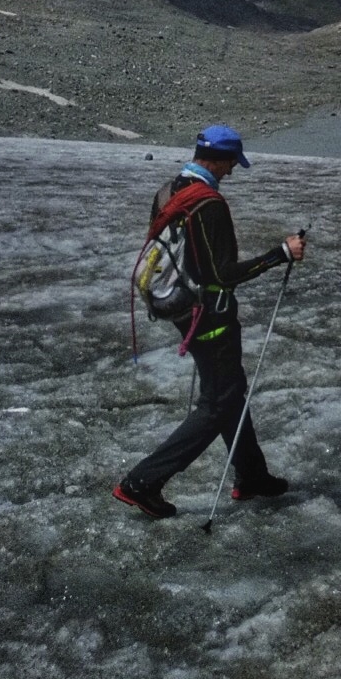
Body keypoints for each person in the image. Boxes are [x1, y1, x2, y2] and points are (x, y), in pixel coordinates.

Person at [113, 125, 306, 520]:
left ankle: (252, 475)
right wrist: (280, 254)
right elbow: (223, 274)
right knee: (218, 402)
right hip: (210, 318)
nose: (232, 170)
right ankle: (142, 482)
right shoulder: (210, 205)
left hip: (181, 309)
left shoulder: (170, 192)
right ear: (217, 158)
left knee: (230, 393)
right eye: (231, 161)